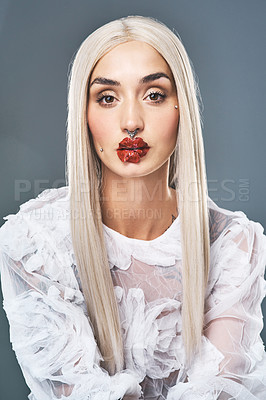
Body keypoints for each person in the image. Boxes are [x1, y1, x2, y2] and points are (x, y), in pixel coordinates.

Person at [0, 15, 265, 400]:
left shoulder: (232, 244)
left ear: (182, 109)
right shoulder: (36, 244)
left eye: (154, 95)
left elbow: (225, 389)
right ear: (84, 114)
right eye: (107, 98)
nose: (131, 122)